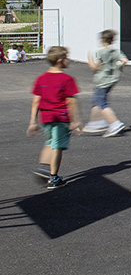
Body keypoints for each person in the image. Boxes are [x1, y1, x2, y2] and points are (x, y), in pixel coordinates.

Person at [27, 46, 82, 188]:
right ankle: (53, 178)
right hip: (60, 118)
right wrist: (76, 120)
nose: (68, 60)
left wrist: (33, 122)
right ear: (59, 60)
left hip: (46, 118)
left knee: (50, 142)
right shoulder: (67, 79)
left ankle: (43, 167)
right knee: (57, 146)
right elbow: (71, 101)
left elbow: (36, 101)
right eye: (66, 58)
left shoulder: (41, 78)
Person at [83, 29, 128, 137]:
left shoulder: (101, 52)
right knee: (95, 101)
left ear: (102, 40)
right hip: (112, 80)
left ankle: (115, 123)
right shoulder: (115, 52)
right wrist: (119, 67)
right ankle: (95, 123)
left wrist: (89, 59)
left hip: (102, 81)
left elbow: (95, 67)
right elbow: (125, 60)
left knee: (102, 103)